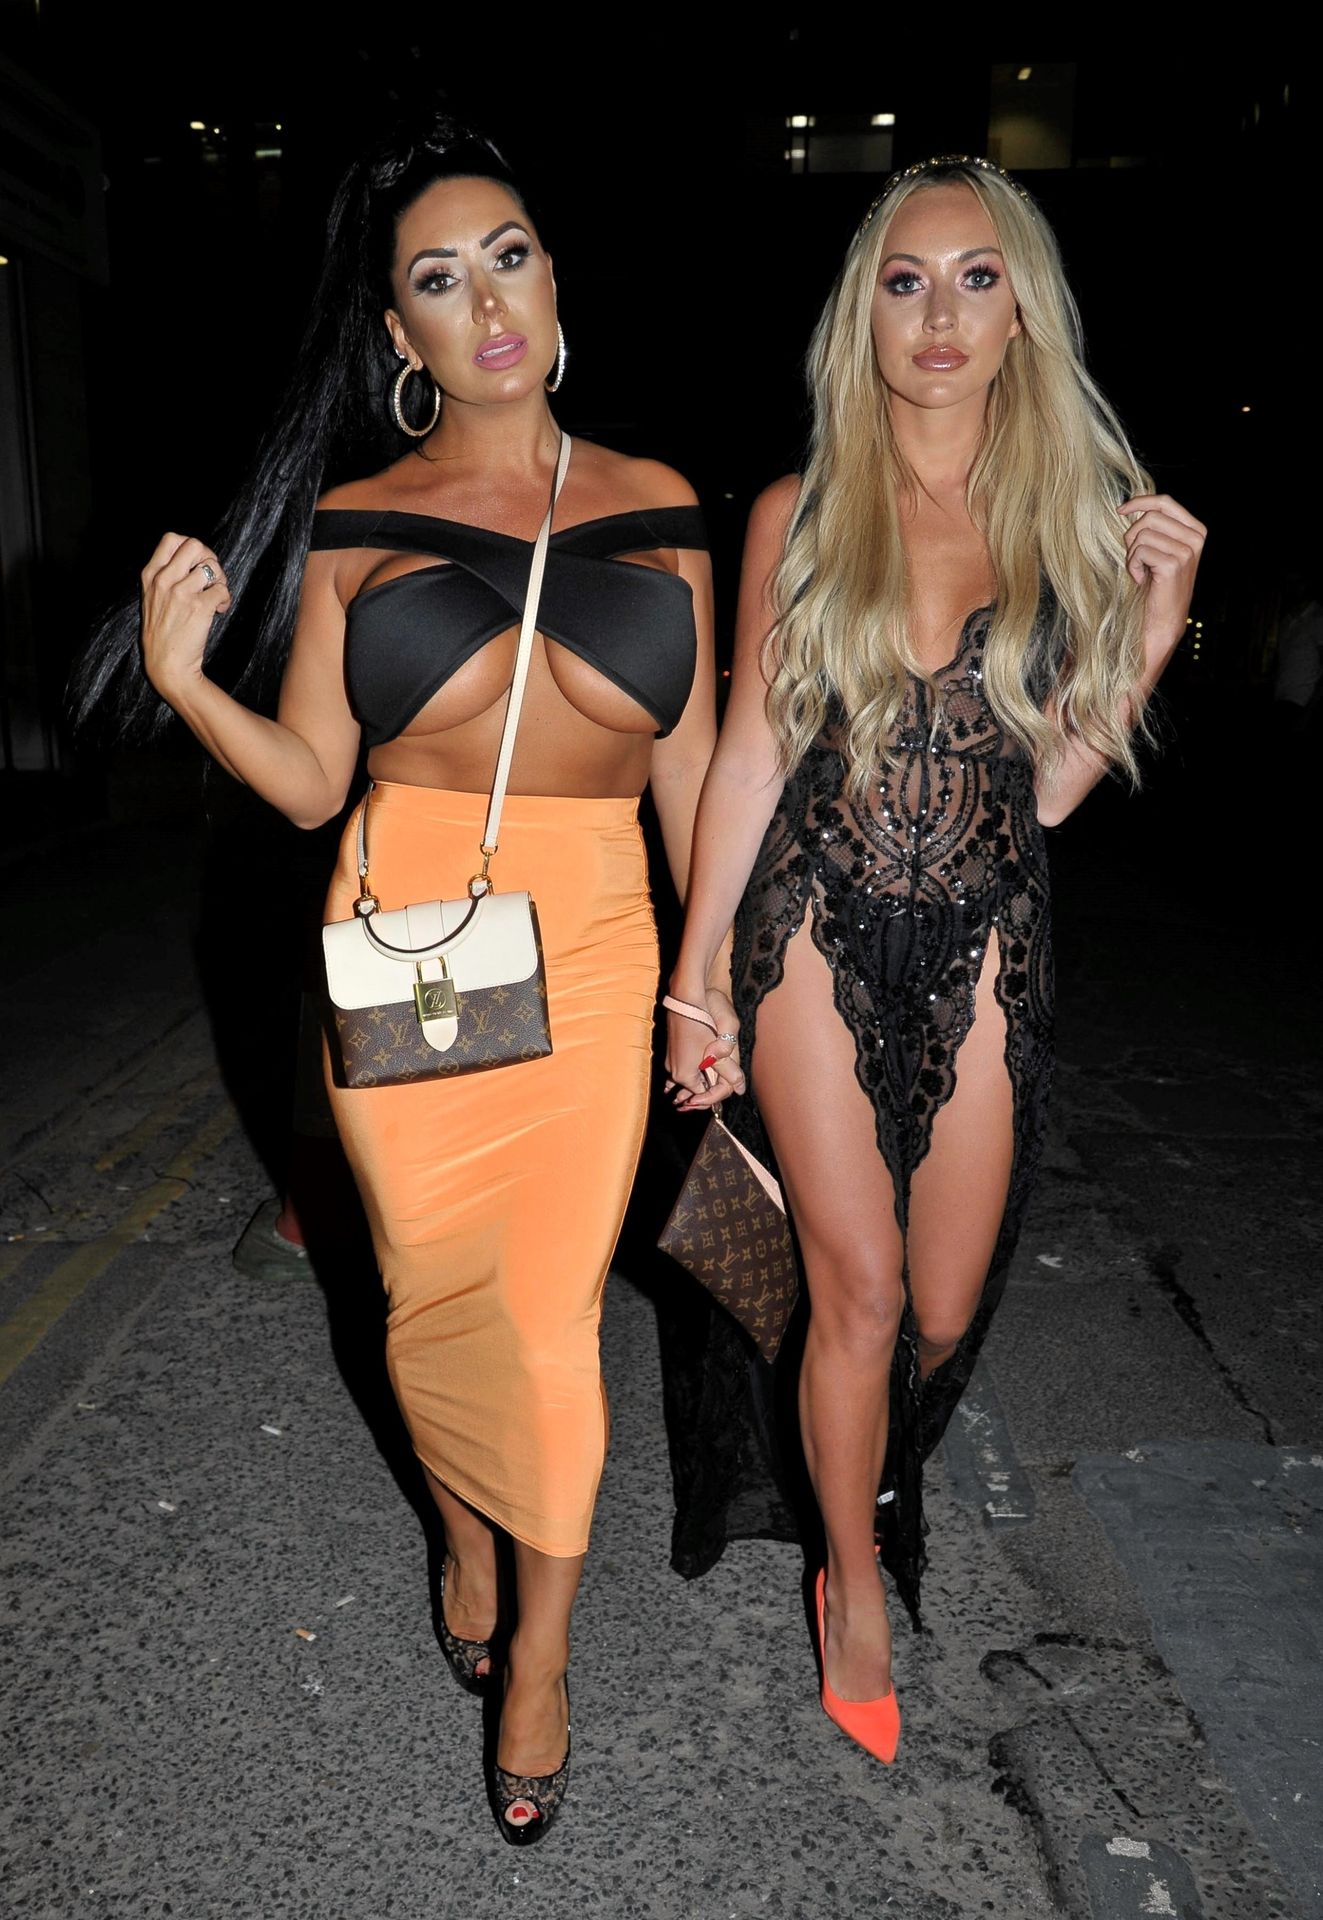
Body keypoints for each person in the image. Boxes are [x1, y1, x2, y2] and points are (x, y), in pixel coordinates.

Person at [77, 114, 719, 1842]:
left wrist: (709, 978)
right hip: (410, 937)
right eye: (440, 278)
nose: (486, 301)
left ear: (556, 282)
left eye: (508, 257)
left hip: (598, 940)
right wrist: (184, 680)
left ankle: (544, 1658)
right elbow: (307, 783)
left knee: (554, 1312)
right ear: (400, 337)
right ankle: (461, 1529)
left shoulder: (663, 504)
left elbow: (693, 775)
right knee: (433, 1298)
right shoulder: (360, 517)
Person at [664, 155, 1205, 1767]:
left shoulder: (1065, 523)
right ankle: (852, 1580)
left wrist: (1154, 629)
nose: (941, 315)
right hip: (813, 922)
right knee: (865, 1286)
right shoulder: (800, 512)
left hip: (986, 932)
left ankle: (859, 1457)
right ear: (866, 315)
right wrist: (699, 977)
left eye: (977, 280)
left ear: (1023, 311)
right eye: (906, 282)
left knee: (946, 1306)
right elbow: (750, 759)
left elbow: (1048, 790)